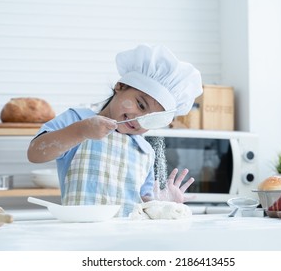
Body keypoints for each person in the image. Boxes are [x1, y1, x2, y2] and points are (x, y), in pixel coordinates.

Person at [27, 44, 203, 217]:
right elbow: (35, 153)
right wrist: (81, 131)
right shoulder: (78, 120)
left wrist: (162, 204)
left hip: (125, 239)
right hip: (81, 236)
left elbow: (144, 204)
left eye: (152, 119)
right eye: (141, 105)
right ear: (120, 86)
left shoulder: (145, 151)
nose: (141, 119)